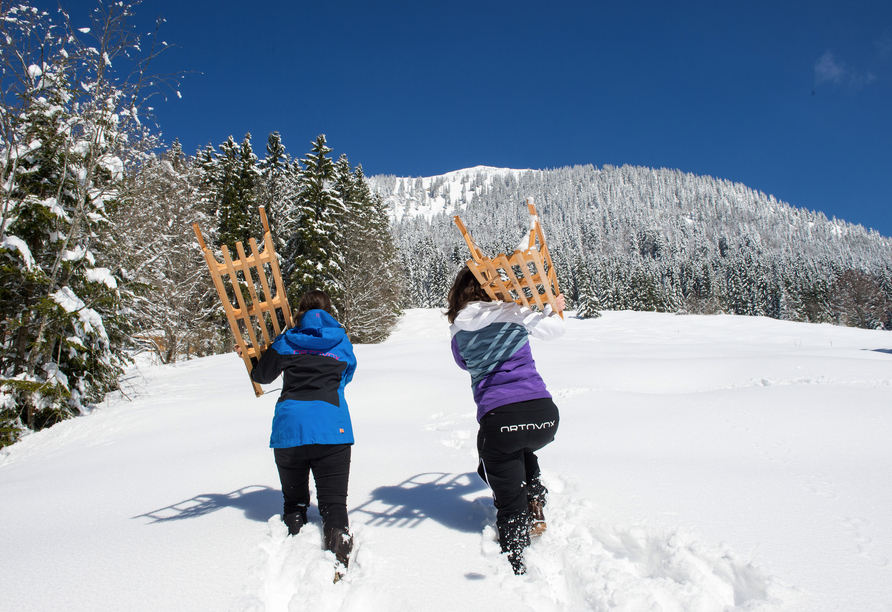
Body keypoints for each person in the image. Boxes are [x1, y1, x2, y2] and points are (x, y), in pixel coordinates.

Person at [446, 266, 565, 575]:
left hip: (500, 418)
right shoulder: (514, 311)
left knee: (498, 465)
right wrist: (553, 310)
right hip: (544, 415)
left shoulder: (458, 328)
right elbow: (555, 330)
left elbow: (462, 362)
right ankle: (534, 500)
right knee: (518, 448)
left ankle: (516, 564)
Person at [238, 290, 356, 570]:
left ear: (299, 313)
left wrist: (252, 356)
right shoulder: (341, 341)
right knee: (334, 504)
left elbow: (262, 376)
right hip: (332, 429)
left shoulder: (287, 340)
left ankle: (292, 557)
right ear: (329, 312)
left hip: (290, 431)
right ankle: (338, 560)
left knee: (294, 503)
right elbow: (347, 375)